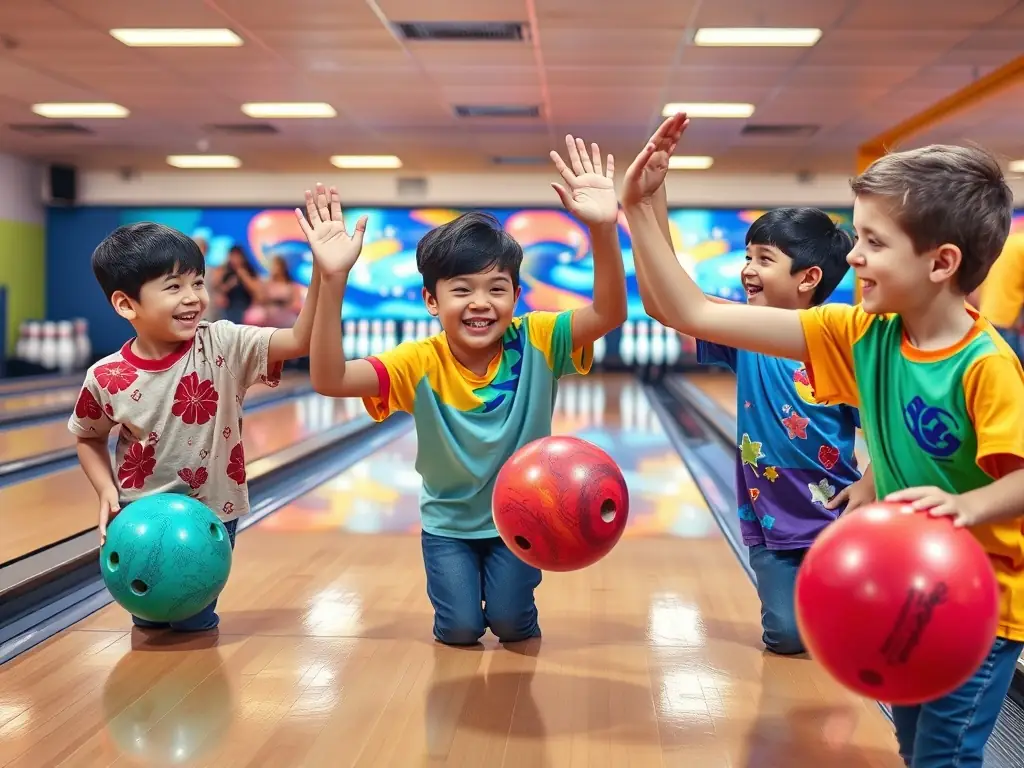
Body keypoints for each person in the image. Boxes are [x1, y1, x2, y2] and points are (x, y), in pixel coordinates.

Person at [623, 113, 1024, 768]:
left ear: (940, 262)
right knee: (915, 748)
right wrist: (642, 207)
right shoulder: (861, 334)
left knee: (942, 759)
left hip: (979, 605)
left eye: (871, 241)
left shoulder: (984, 364)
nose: (853, 256)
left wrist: (968, 508)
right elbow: (688, 313)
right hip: (908, 586)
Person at [304, 136, 627, 646]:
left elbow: (609, 313)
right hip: (448, 524)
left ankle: (517, 616)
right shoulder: (418, 362)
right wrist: (332, 280)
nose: (481, 302)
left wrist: (604, 229)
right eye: (461, 289)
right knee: (459, 630)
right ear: (431, 300)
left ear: (517, 296)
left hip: (525, 517)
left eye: (497, 288)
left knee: (511, 625)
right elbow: (330, 379)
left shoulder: (540, 338)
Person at [626, 119, 874, 655]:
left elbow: (880, 423)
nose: (747, 269)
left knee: (842, 635)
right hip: (765, 516)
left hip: (834, 514)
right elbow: (669, 300)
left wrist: (872, 483)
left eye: (764, 259)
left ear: (808, 278)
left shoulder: (836, 342)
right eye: (747, 256)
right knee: (786, 637)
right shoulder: (745, 335)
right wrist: (652, 198)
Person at [67, 189, 326, 632]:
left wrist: (326, 272)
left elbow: (299, 340)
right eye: (174, 287)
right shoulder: (106, 376)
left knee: (193, 620)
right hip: (140, 516)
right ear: (127, 303)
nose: (193, 297)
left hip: (212, 511)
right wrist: (106, 490)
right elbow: (88, 435)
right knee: (148, 623)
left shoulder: (222, 343)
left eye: (197, 282)